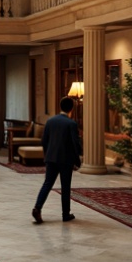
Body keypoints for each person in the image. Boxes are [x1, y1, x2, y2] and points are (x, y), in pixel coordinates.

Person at [32, 96, 82, 224]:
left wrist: (46, 155)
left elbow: (44, 141)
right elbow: (75, 143)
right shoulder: (71, 123)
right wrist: (78, 161)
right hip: (66, 160)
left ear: (60, 107)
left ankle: (37, 208)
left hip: (51, 158)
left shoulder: (50, 121)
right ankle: (66, 214)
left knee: (47, 183)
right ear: (71, 108)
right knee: (65, 187)